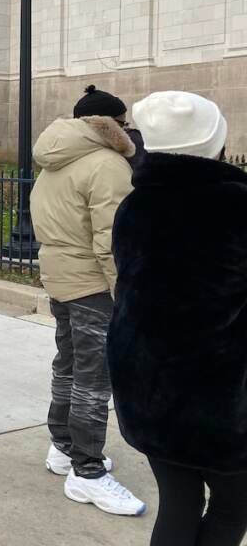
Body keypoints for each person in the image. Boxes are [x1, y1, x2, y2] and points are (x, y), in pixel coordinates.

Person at [108, 92, 247, 545]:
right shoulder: (238, 207)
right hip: (224, 401)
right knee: (230, 508)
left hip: (149, 390)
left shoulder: (135, 207)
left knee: (179, 500)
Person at [30, 85, 144, 516]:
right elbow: (111, 241)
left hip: (60, 279)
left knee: (70, 364)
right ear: (109, 124)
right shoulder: (107, 165)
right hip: (94, 285)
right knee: (94, 379)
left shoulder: (52, 162)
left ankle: (63, 446)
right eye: (123, 120)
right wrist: (126, 293)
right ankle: (88, 472)